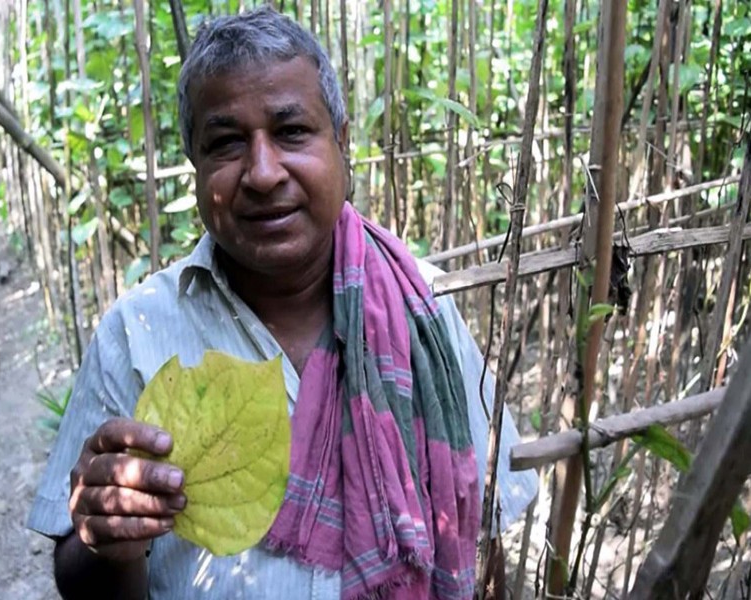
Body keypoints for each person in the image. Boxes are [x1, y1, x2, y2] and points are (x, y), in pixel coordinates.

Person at [27, 7, 538, 599]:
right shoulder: (135, 333)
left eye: (292, 132)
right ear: (195, 165)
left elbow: (485, 533)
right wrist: (105, 538)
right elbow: (78, 574)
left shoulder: (422, 307)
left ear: (342, 144)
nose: (264, 173)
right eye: (226, 143)